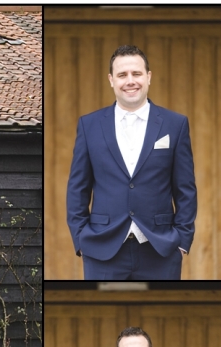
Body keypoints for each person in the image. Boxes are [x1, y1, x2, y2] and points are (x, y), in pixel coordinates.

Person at [65, 45, 197, 280]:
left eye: (136, 74)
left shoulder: (175, 125)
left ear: (148, 77)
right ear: (111, 80)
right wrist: (81, 238)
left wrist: (182, 240)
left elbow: (185, 189)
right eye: (122, 75)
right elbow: (78, 188)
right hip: (101, 250)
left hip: (161, 250)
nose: (130, 81)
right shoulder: (89, 125)